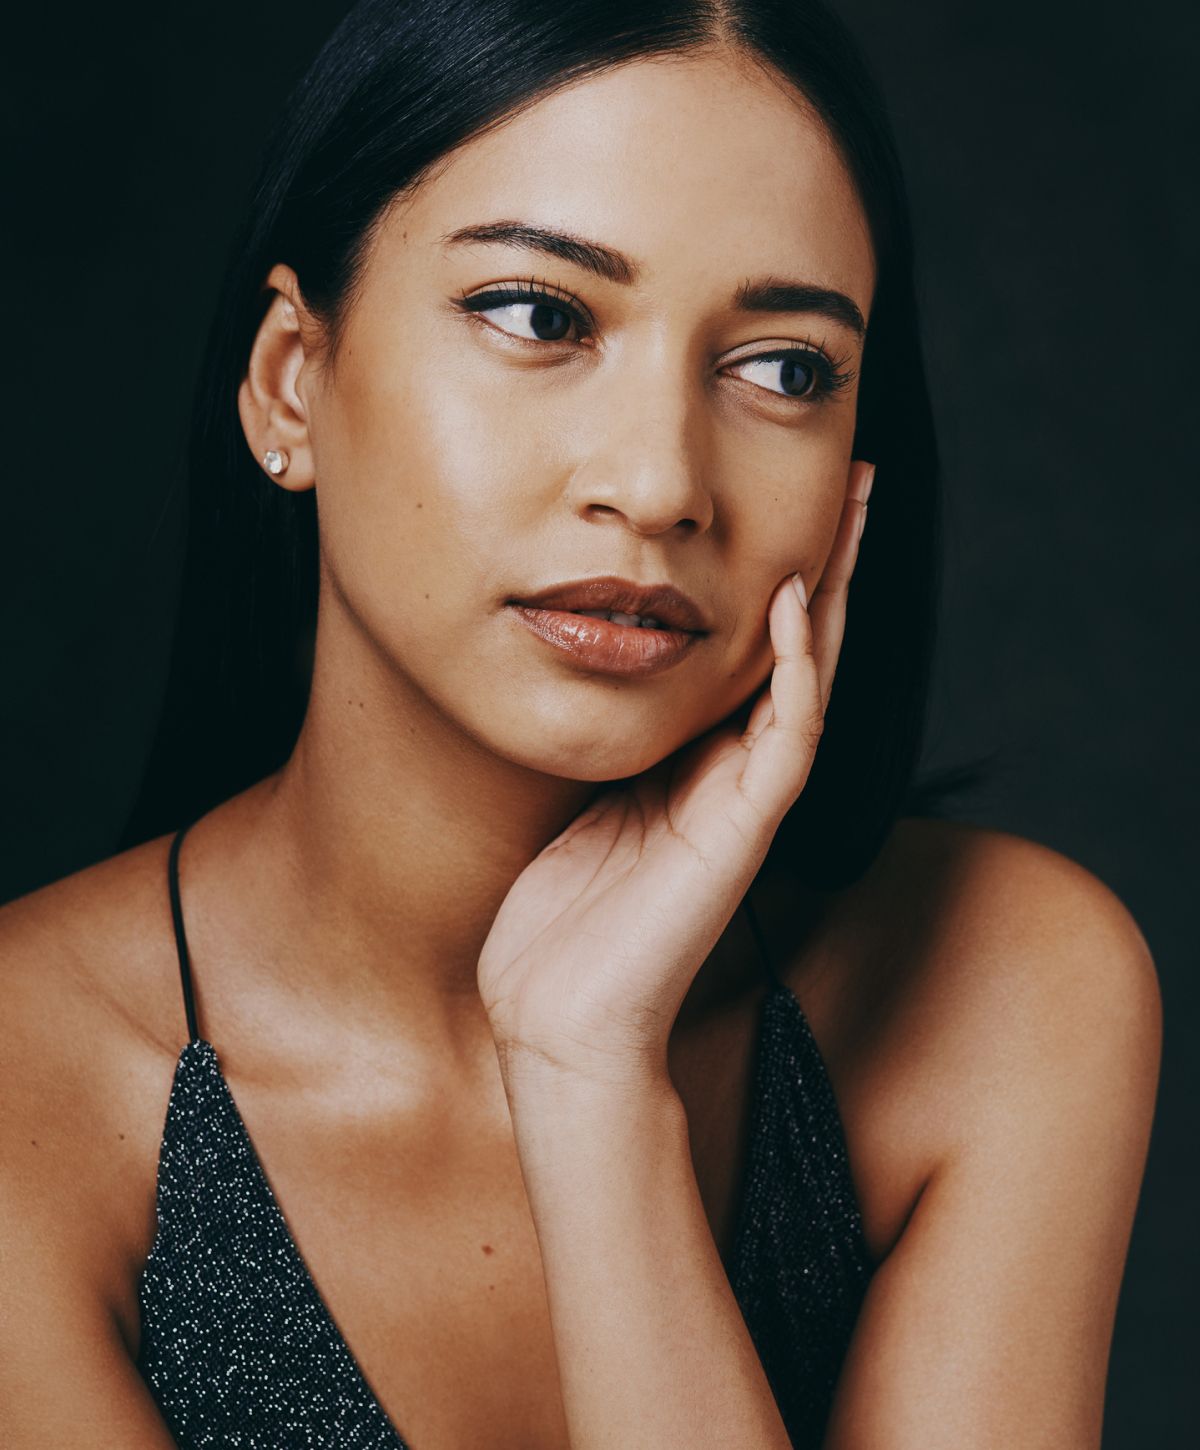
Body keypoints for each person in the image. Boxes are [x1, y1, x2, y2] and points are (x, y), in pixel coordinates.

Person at [0, 2, 1161, 1446]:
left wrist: (591, 1079)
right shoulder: (26, 1093)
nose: (660, 480)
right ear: (294, 381)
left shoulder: (999, 987)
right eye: (541, 316)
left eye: (784, 367)